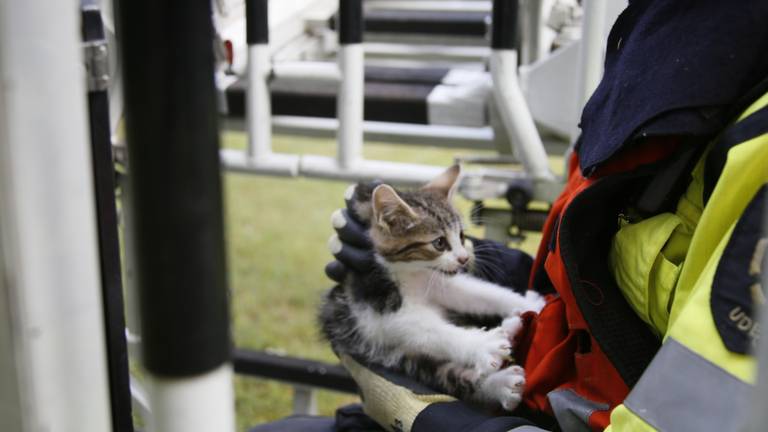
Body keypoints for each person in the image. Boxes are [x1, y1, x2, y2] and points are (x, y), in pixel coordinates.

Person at [251, 1, 768, 431]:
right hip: (541, 372)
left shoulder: (744, 128)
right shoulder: (662, 39)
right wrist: (514, 278)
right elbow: (609, 263)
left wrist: (465, 426)